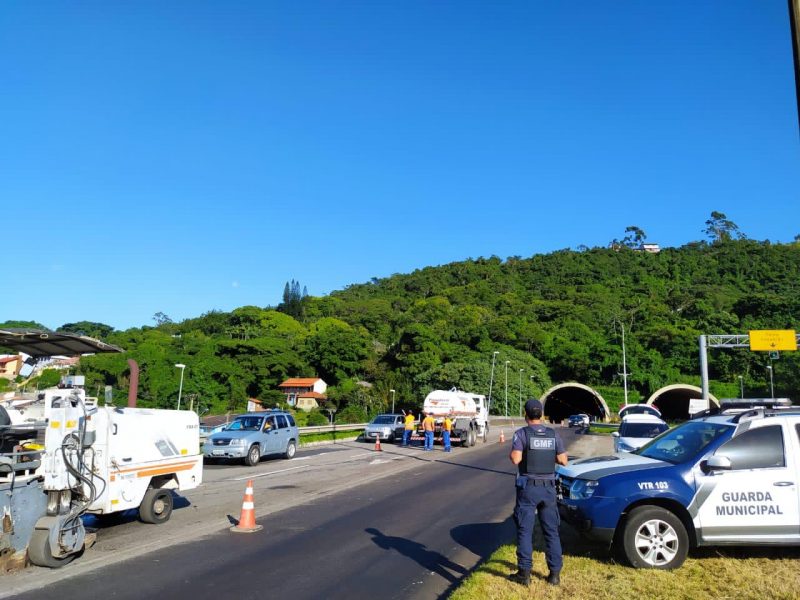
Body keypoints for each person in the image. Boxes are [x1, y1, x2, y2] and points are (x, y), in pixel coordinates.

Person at [508, 399, 568, 587]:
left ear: (526, 415)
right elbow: (563, 460)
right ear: (541, 415)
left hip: (528, 488)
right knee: (551, 531)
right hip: (548, 488)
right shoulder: (553, 434)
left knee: (525, 531)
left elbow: (515, 459)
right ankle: (554, 575)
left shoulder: (521, 434)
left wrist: (516, 452)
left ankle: (524, 574)